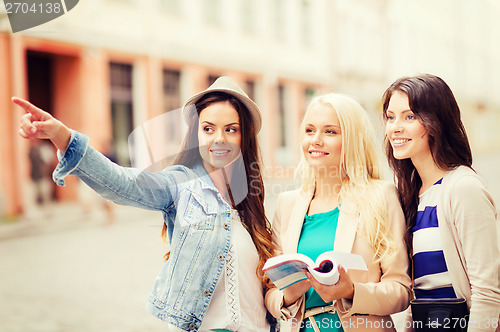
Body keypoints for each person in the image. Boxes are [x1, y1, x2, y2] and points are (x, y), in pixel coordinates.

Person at [14, 76, 274, 332]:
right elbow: (123, 183)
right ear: (196, 134)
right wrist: (63, 136)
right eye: (208, 128)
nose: (219, 138)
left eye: (231, 129)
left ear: (244, 136)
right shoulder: (182, 185)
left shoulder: (251, 199)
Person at [265, 93, 412, 332]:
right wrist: (286, 297)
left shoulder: (381, 196)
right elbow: (270, 290)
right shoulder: (286, 203)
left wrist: (352, 291)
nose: (316, 140)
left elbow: (401, 290)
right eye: (310, 130)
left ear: (351, 140)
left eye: (330, 132)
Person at [382, 74, 500, 331]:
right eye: (391, 117)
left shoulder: (463, 187)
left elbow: (487, 293)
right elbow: (422, 289)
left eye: (410, 116)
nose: (395, 127)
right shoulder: (410, 195)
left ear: (436, 122)